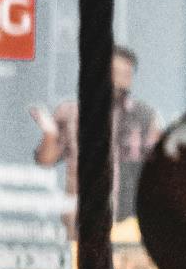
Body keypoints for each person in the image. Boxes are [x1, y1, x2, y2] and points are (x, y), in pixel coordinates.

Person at [32, 43, 161, 218]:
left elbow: (160, 167)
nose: (120, 81)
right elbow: (46, 160)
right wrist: (50, 134)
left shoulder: (145, 117)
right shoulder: (71, 114)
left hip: (129, 223)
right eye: (115, 73)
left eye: (126, 75)